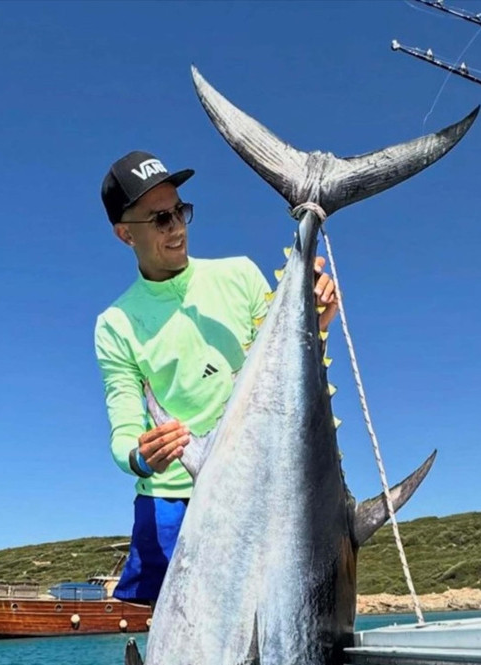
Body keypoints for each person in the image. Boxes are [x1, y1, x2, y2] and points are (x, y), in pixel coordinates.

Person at [94, 151, 337, 603]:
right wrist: (141, 455)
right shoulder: (116, 322)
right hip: (170, 500)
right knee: (177, 645)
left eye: (179, 211)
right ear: (125, 234)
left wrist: (317, 321)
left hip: (251, 488)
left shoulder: (240, 274)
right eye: (159, 218)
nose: (176, 227)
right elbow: (124, 426)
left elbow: (279, 379)